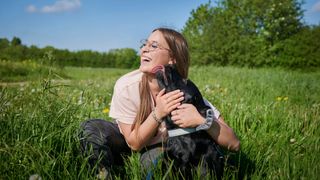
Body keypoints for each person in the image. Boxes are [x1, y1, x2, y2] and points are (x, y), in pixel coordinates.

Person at [79, 27, 240, 178]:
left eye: (154, 46)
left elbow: (234, 143)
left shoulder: (185, 91)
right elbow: (134, 144)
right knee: (91, 129)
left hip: (163, 148)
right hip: (128, 143)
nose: (144, 49)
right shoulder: (127, 86)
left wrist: (202, 121)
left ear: (172, 59)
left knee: (157, 167)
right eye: (145, 44)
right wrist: (159, 112)